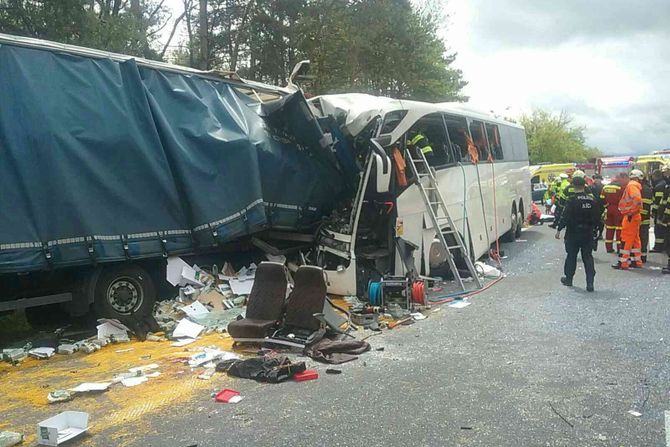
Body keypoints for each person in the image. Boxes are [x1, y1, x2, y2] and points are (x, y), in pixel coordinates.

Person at [555, 175, 600, 292]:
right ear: (584, 186)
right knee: (588, 257)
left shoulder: (572, 200)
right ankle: (590, 283)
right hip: (588, 233)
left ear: (574, 186)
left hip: (573, 233)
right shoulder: (592, 200)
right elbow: (597, 217)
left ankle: (569, 279)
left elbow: (565, 216)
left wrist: (559, 229)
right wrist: (596, 231)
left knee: (571, 256)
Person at [613, 169, 644, 270]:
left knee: (626, 239)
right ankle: (637, 261)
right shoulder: (634, 185)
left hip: (631, 217)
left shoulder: (631, 186)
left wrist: (631, 211)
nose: (619, 183)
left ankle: (623, 262)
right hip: (634, 217)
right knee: (635, 239)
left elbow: (637, 199)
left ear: (626, 178)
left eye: (619, 180)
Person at [600, 172, 627, 253]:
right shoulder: (621, 187)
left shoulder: (605, 187)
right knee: (619, 229)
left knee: (609, 229)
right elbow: (624, 198)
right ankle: (619, 248)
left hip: (609, 209)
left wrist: (606, 206)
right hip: (618, 209)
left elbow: (601, 198)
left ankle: (609, 248)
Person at [651, 169, 667, 252]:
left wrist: (654, 211)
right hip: (664, 211)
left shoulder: (659, 186)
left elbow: (657, 201)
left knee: (658, 229)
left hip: (660, 212)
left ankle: (658, 247)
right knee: (662, 229)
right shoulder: (663, 184)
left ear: (655, 176)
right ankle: (663, 246)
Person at [639, 173, 653, 262]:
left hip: (641, 218)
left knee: (642, 237)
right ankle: (640, 256)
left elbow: (646, 205)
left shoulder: (645, 190)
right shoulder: (645, 188)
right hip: (641, 218)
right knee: (642, 237)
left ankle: (642, 256)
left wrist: (640, 216)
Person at [591, 174, 605, 239]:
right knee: (593, 220)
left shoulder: (604, 187)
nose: (596, 180)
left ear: (600, 180)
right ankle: (594, 232)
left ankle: (600, 234)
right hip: (593, 205)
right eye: (595, 179)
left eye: (598, 179)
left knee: (601, 221)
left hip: (601, 206)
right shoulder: (591, 186)